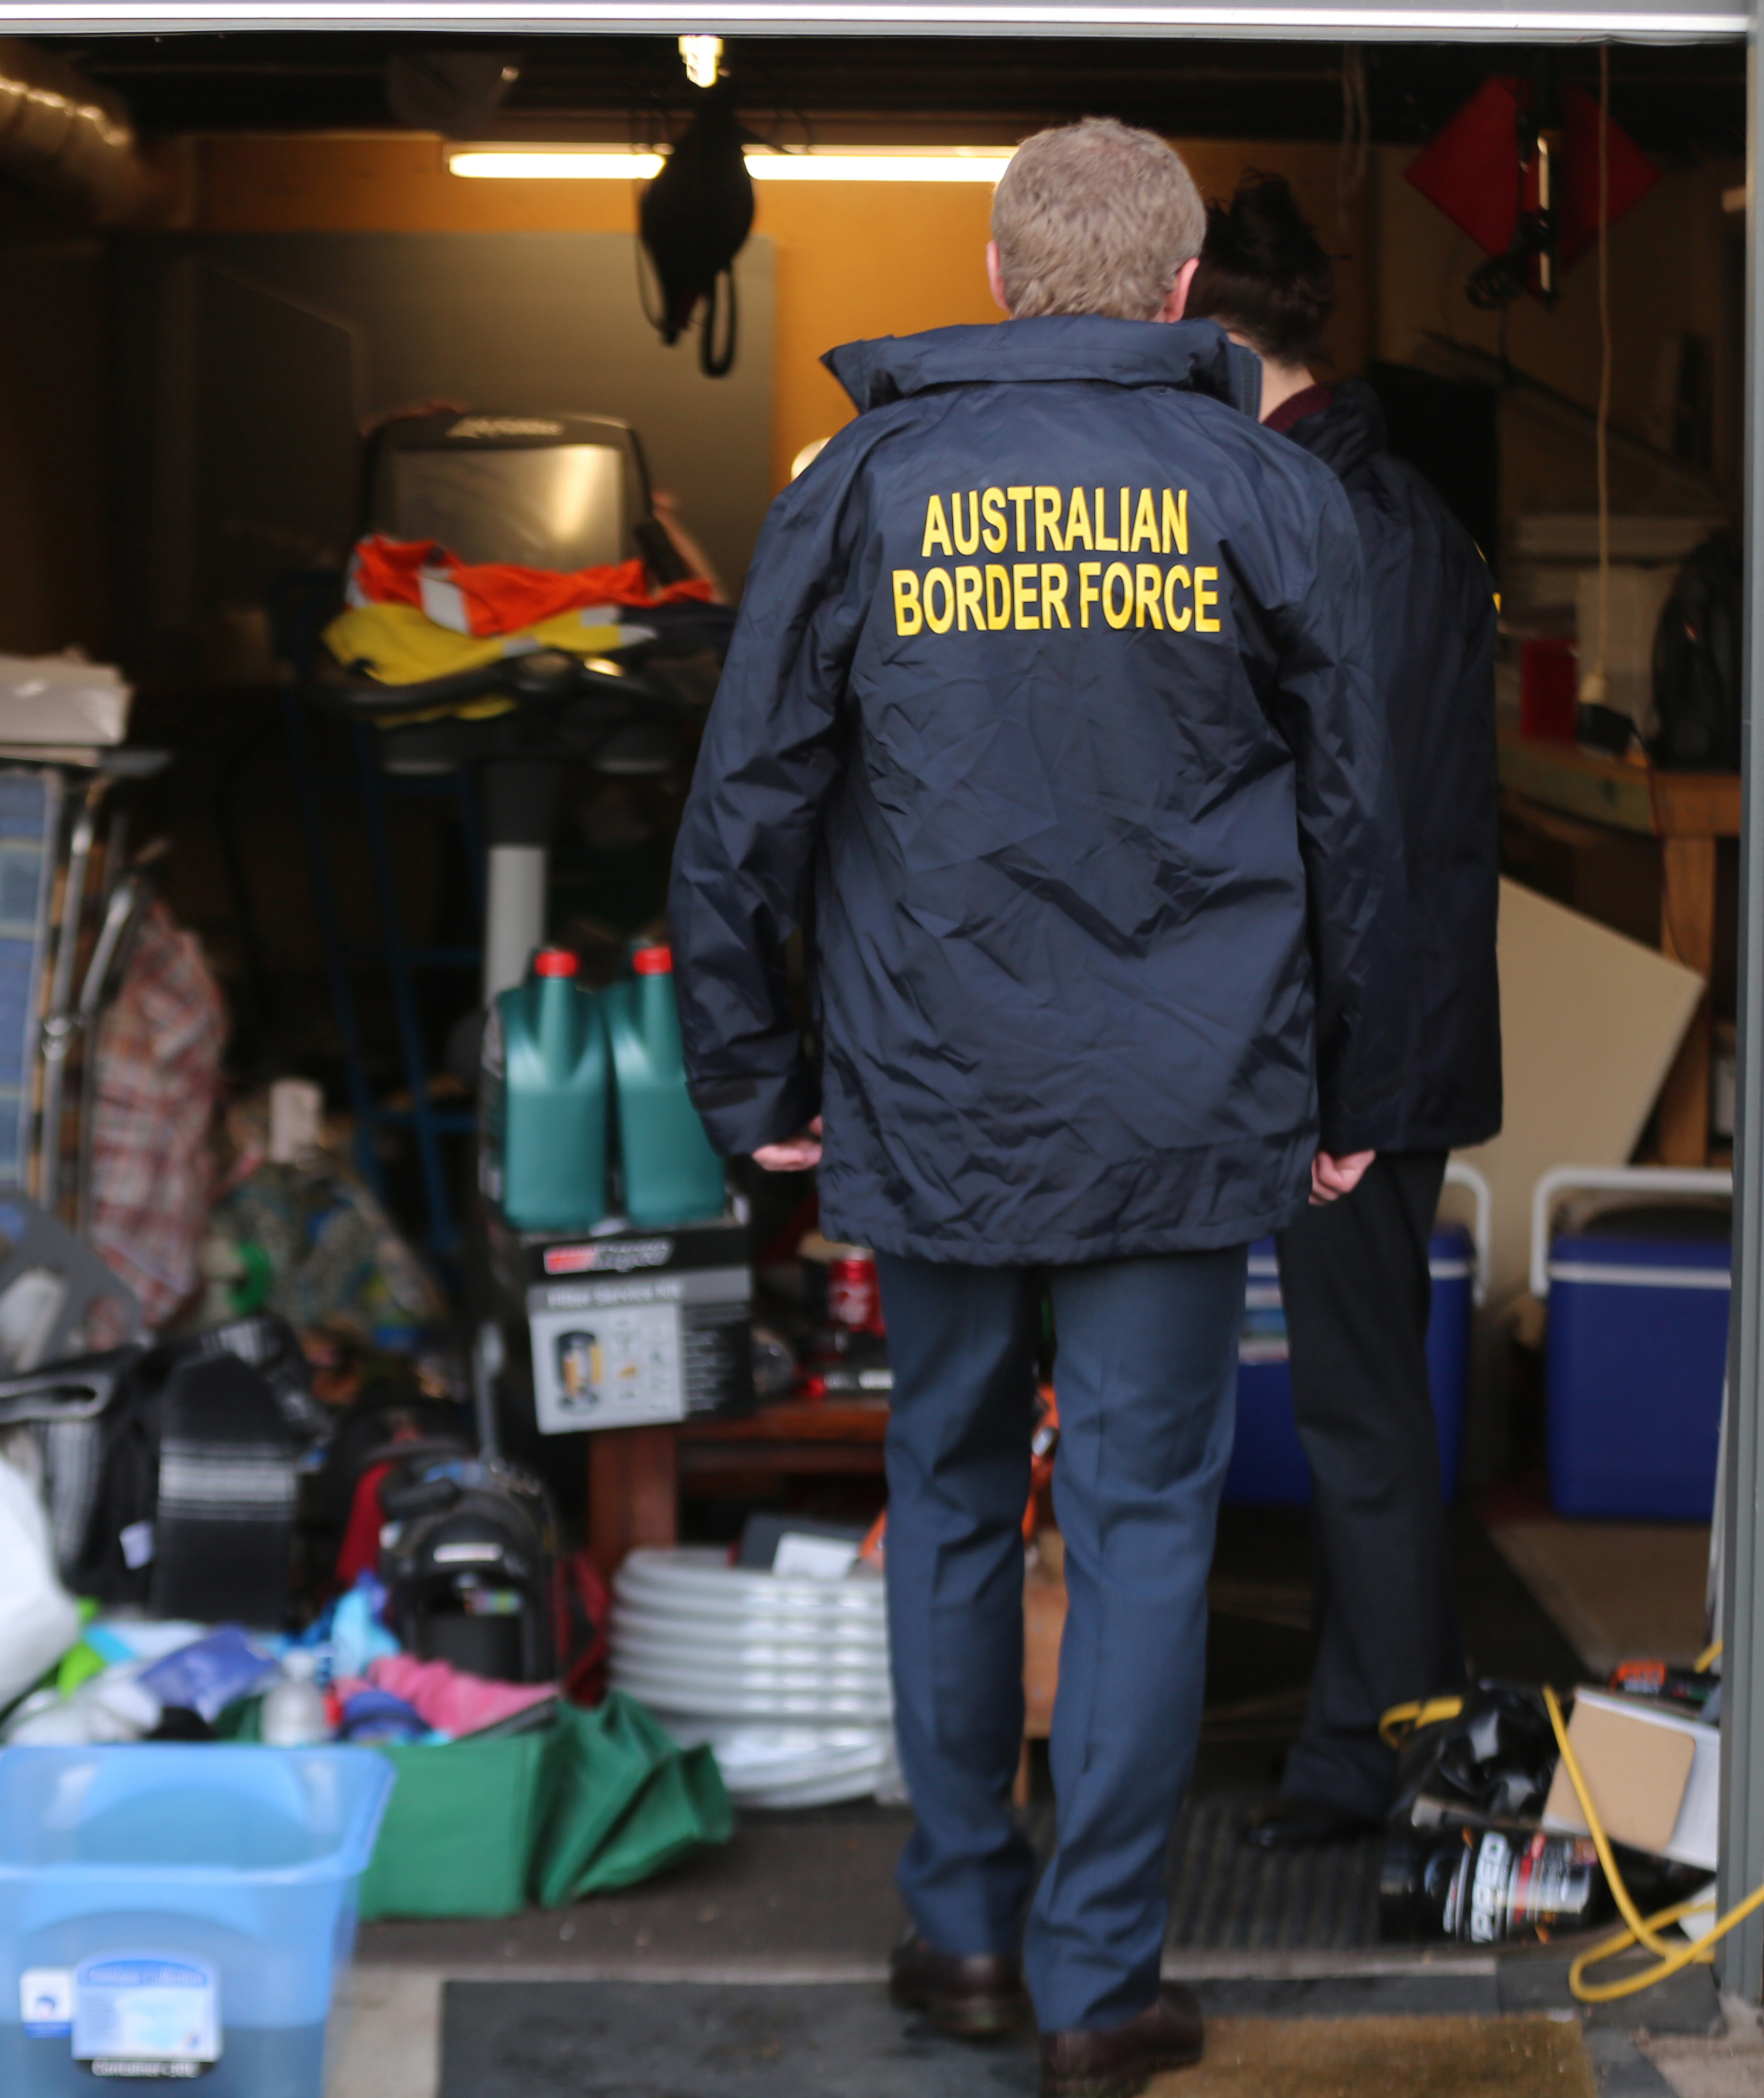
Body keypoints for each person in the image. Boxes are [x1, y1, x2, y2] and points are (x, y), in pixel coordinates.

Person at [668, 119, 1403, 2098]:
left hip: (933, 1090)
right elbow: (1360, 817)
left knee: (954, 1495)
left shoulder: (866, 485)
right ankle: (1098, 1988)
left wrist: (759, 1082)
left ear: (997, 278)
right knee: (1148, 1523)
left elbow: (740, 811)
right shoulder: (1265, 486)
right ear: (1179, 294)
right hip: (1185, 1101)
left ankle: (965, 1932)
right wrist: (1358, 1081)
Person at [1185, 173, 1501, 1850]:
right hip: (1352, 1020)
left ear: (1221, 344)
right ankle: (1365, 1740)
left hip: (1362, 1035)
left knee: (1361, 1406)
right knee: (1355, 1400)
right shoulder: (1341, 501)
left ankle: (1387, 1760)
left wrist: (1332, 1083)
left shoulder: (1348, 528)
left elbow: (1356, 831)